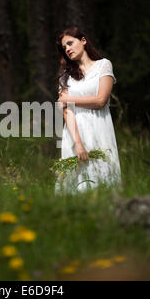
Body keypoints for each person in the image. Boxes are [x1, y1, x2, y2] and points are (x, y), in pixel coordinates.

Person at [55, 27, 122, 195]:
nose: (67, 49)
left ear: (83, 41)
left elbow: (101, 100)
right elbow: (66, 111)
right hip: (74, 132)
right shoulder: (65, 75)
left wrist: (68, 100)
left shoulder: (103, 65)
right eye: (64, 48)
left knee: (103, 177)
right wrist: (77, 143)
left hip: (99, 128)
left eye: (70, 43)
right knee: (76, 184)